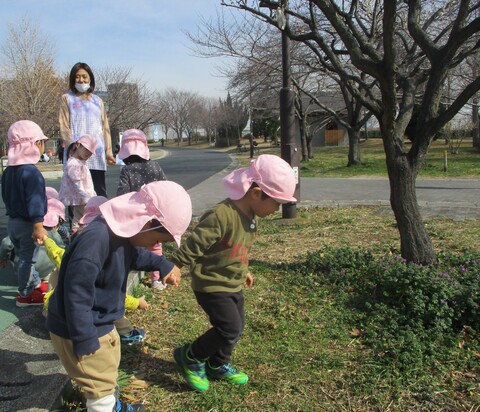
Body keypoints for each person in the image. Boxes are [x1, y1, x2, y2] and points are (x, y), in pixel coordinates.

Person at [46, 181, 192, 412]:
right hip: (80, 327)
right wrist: (83, 337)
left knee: (107, 372)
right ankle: (105, 407)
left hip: (99, 322)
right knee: (99, 388)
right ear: (146, 222)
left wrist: (163, 264)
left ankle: (110, 404)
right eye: (157, 240)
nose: (156, 246)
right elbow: (76, 293)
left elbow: (136, 257)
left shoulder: (121, 235)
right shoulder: (96, 240)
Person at [171, 154, 296, 392]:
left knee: (237, 327)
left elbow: (238, 248)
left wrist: (243, 269)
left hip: (233, 282)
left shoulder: (251, 216)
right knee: (228, 327)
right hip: (212, 284)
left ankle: (217, 364)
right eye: (276, 203)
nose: (276, 210)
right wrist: (176, 264)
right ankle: (191, 355)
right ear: (257, 193)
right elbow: (196, 242)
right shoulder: (222, 215)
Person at [1, 120, 49, 307]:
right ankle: (25, 294)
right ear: (35, 144)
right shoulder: (30, 172)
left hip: (13, 222)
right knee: (28, 260)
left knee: (23, 257)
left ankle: (35, 284)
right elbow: (35, 200)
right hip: (28, 223)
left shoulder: (8, 172)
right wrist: (38, 224)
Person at [116, 128, 168, 291]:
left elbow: (121, 194)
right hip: (154, 214)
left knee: (134, 244)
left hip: (136, 215)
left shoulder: (127, 170)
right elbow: (165, 186)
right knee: (155, 246)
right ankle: (156, 279)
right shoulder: (155, 166)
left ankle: (134, 269)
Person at [59, 62, 115, 198]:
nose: (81, 80)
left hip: (96, 154)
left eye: (84, 76)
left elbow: (105, 128)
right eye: (77, 77)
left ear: (90, 78)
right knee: (76, 195)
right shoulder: (67, 99)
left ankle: (99, 219)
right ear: (73, 79)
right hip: (76, 155)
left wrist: (108, 152)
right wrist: (72, 147)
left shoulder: (98, 101)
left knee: (98, 195)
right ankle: (76, 220)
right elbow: (64, 126)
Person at [58, 134, 97, 233]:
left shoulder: (78, 162)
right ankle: (83, 237)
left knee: (78, 219)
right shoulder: (74, 163)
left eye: (90, 152)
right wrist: (87, 198)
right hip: (83, 198)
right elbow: (77, 183)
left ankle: (75, 237)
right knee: (90, 218)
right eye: (87, 150)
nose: (88, 153)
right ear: (78, 145)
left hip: (82, 198)